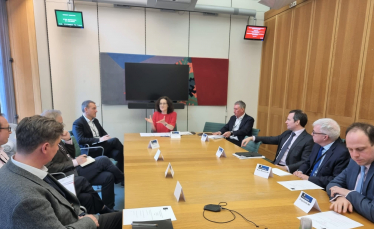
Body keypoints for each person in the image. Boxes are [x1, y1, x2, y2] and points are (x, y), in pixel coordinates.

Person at [0, 115, 122, 229]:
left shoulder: (12, 169)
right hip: (78, 223)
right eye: (58, 144)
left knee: (126, 217)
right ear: (46, 148)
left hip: (75, 219)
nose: (58, 148)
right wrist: (87, 221)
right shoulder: (28, 200)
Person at [42, 109, 124, 210]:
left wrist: (68, 140)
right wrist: (75, 162)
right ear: (52, 123)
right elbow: (50, 168)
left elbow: (69, 155)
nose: (62, 126)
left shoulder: (56, 137)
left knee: (108, 176)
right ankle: (124, 179)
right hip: (69, 173)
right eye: (60, 123)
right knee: (103, 159)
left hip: (76, 167)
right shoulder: (46, 142)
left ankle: (109, 208)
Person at [327, 122, 374, 222]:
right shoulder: (354, 162)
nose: (354, 155)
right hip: (352, 217)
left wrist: (348, 194)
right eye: (350, 149)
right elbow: (333, 184)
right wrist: (340, 197)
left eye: (360, 149)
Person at [242, 109, 313, 173]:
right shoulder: (287, 133)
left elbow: (305, 161)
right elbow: (272, 139)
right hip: (274, 166)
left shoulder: (308, 139)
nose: (286, 122)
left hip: (288, 171)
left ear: (297, 122)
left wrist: (286, 168)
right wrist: (252, 138)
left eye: (288, 120)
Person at [293, 118, 350, 189]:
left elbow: (335, 179)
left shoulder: (342, 153)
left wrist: (309, 179)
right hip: (306, 183)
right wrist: (300, 171)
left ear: (325, 137)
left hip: (322, 188)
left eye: (314, 132)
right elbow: (308, 162)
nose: (311, 134)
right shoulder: (317, 144)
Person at [72, 100, 124, 173]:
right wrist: (99, 140)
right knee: (115, 140)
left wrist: (106, 137)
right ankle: (130, 160)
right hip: (91, 149)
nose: (96, 111)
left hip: (102, 147)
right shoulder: (78, 123)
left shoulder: (95, 121)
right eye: (94, 108)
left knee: (118, 153)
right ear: (86, 109)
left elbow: (103, 133)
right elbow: (80, 140)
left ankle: (120, 175)